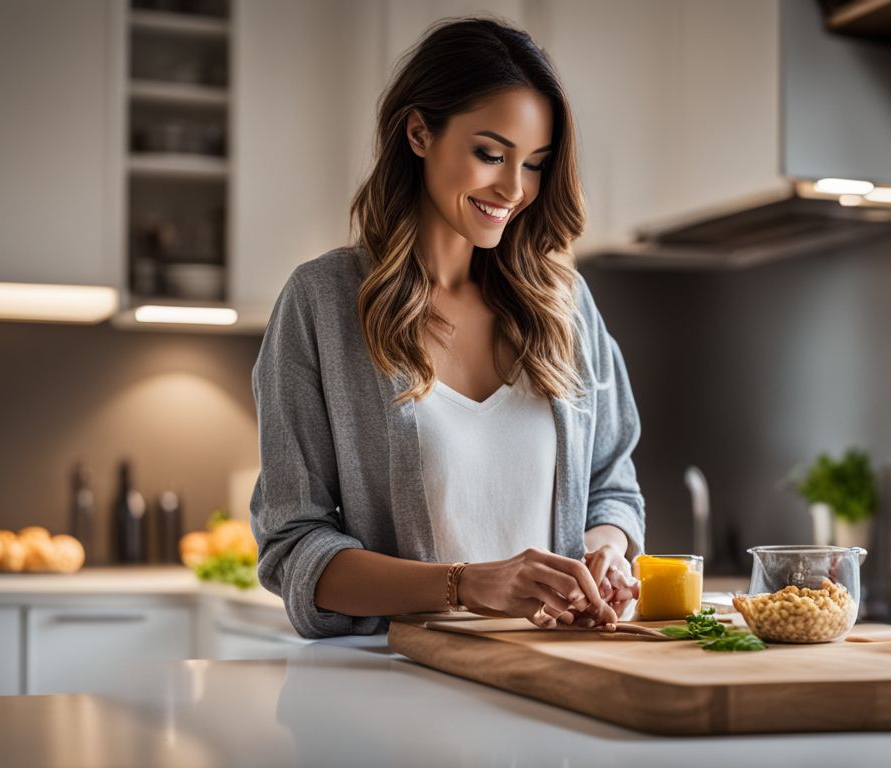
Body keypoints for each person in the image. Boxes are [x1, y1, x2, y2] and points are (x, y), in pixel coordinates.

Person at [249, 16, 646, 639]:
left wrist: (607, 552)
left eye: (535, 163)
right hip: (400, 687)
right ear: (418, 132)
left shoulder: (565, 305)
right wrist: (465, 585)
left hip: (554, 676)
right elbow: (293, 546)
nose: (514, 189)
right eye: (491, 154)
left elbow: (613, 487)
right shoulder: (321, 303)